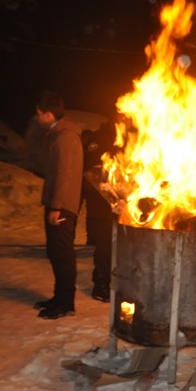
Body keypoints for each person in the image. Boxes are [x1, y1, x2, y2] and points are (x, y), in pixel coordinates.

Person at [33, 90, 84, 319]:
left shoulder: (64, 137)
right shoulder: (59, 134)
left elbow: (64, 174)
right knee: (55, 253)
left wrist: (56, 207)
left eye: (38, 114)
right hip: (59, 203)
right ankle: (59, 297)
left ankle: (65, 304)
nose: (36, 118)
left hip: (62, 205)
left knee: (62, 254)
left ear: (48, 114)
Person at [81, 121, 117, 303]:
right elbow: (93, 172)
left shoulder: (124, 139)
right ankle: (101, 286)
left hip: (116, 205)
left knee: (113, 246)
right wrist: (113, 198)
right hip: (104, 206)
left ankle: (110, 284)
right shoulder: (102, 140)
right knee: (105, 246)